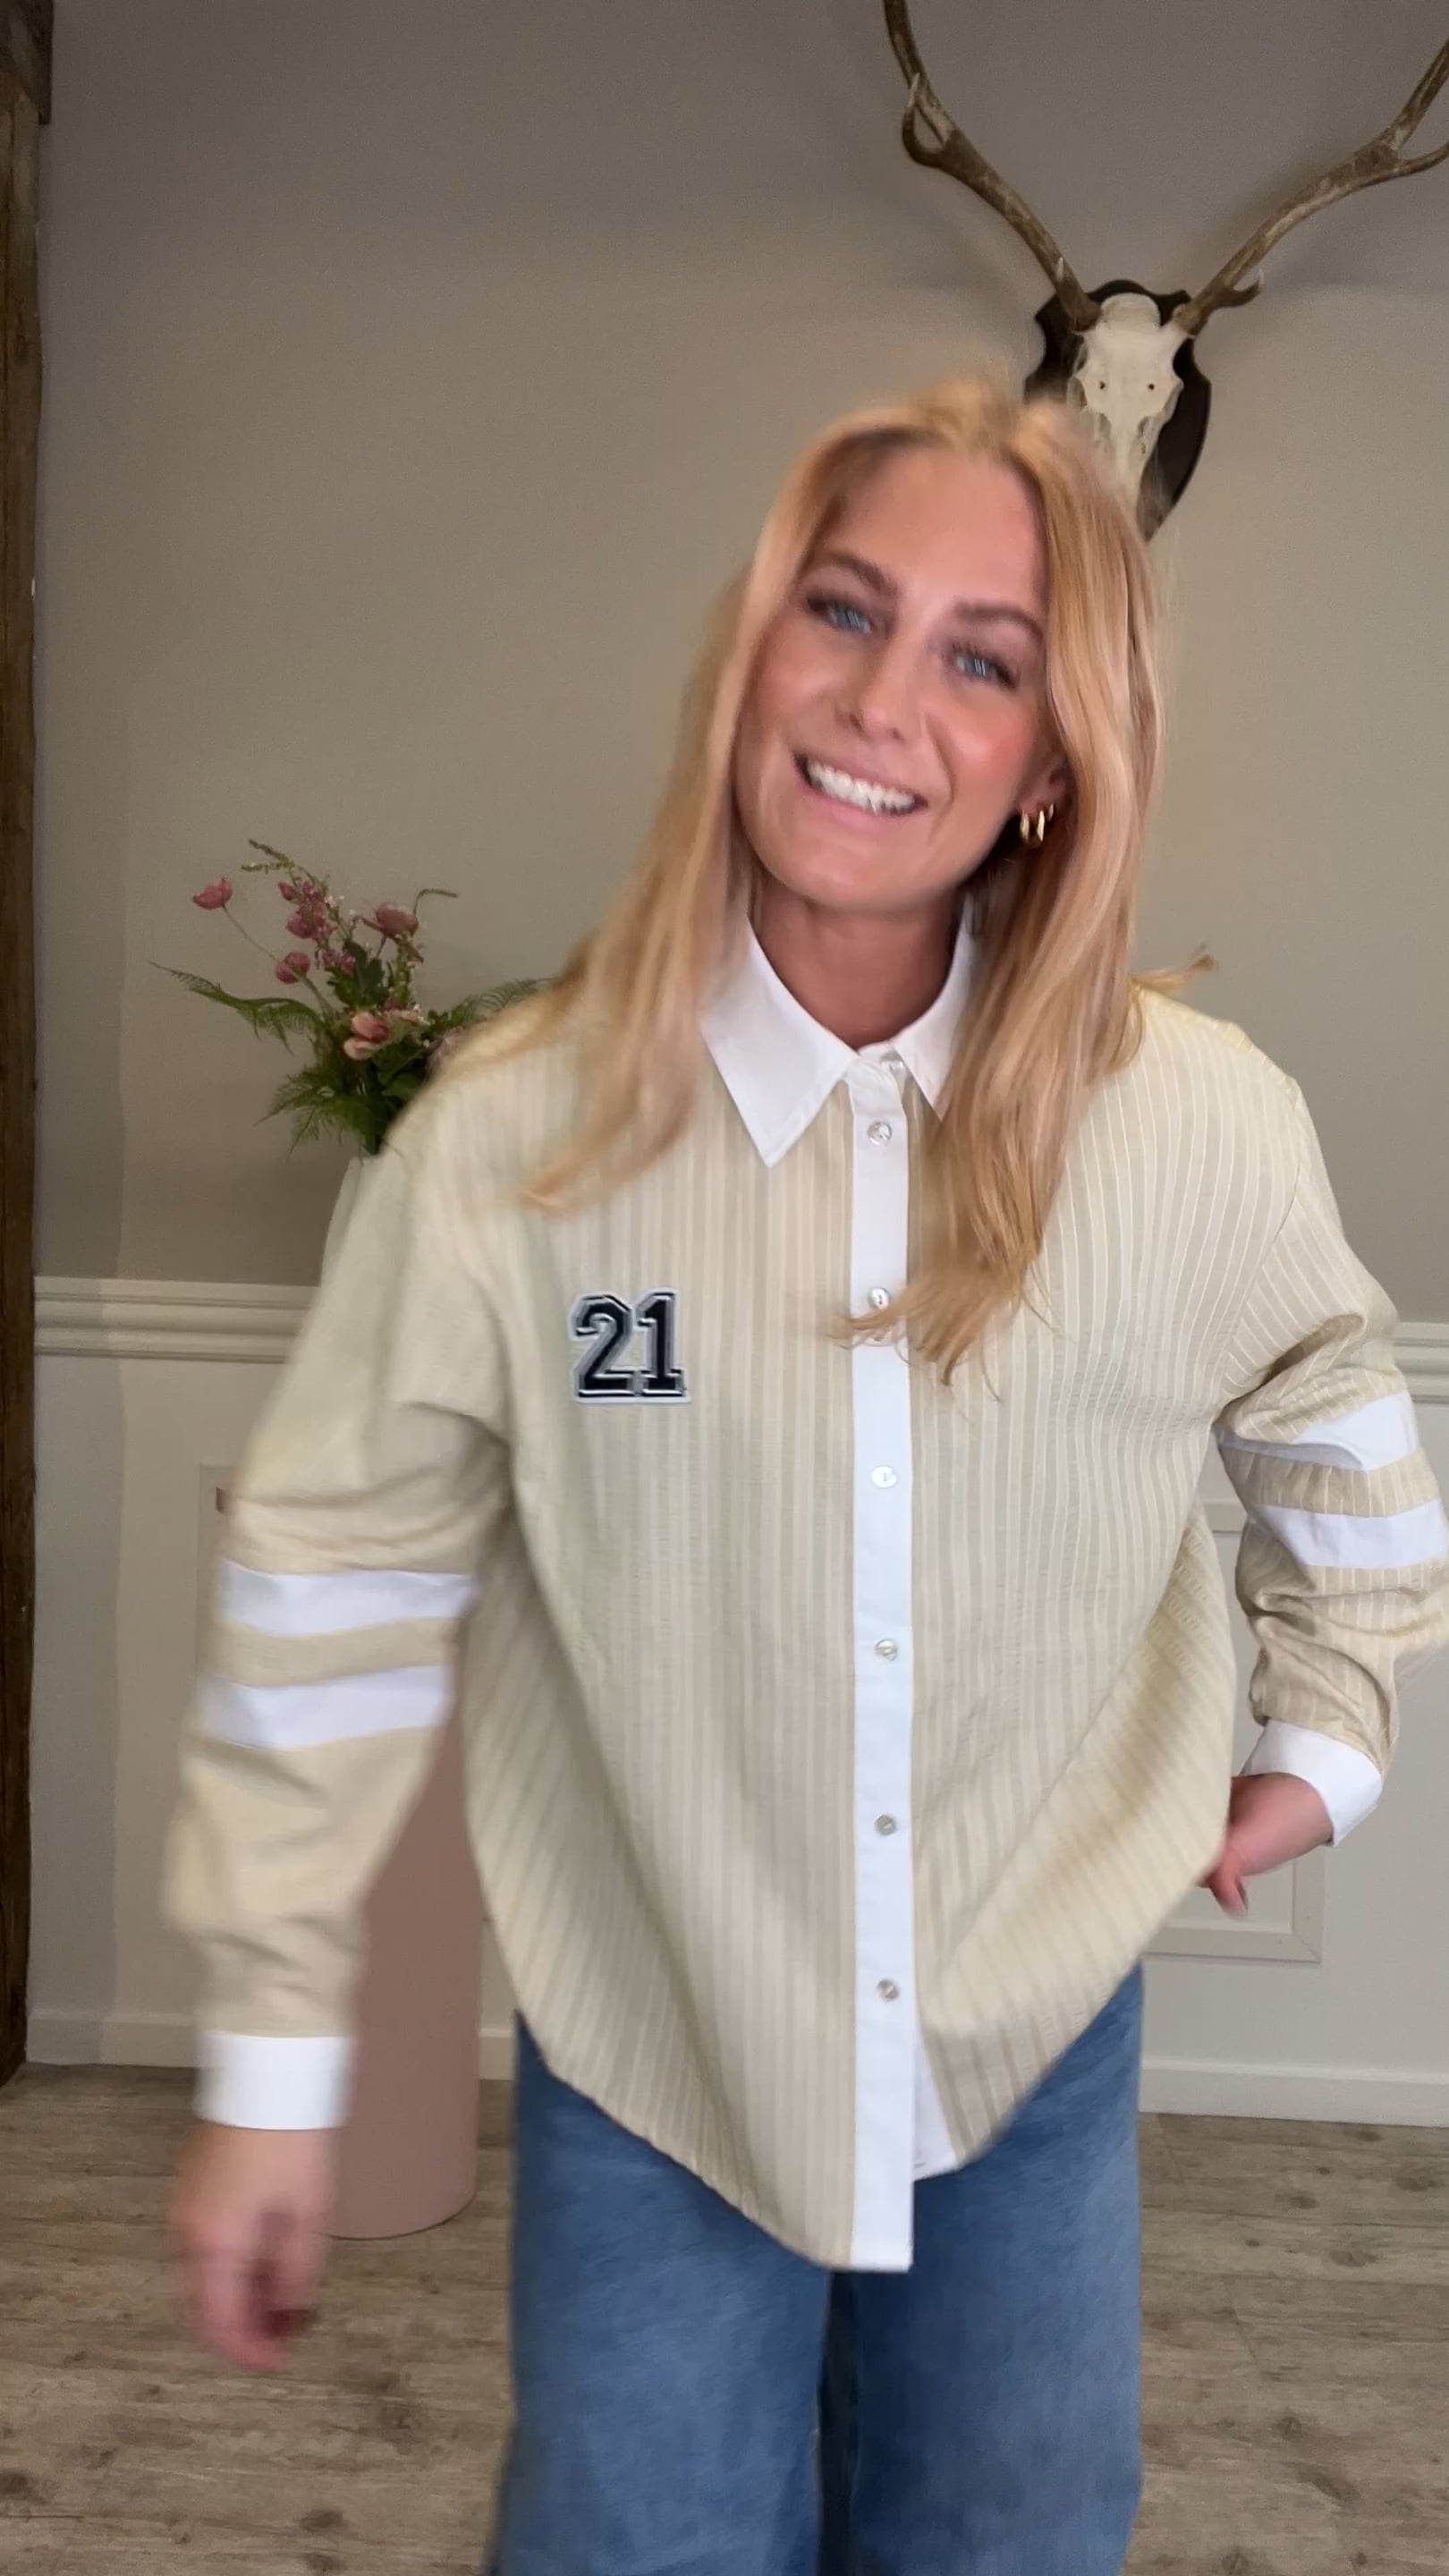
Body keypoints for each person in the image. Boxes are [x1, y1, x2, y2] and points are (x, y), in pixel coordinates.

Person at [168, 376, 1449, 2576]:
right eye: (841, 610)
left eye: (984, 656)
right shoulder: (514, 1138)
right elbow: (336, 1583)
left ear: (1055, 764)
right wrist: (275, 2060)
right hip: (655, 2051)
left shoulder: (1202, 1127)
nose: (881, 700)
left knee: (1010, 2543)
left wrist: (1323, 1739)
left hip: (1033, 2050)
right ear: (749, 651)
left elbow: (1338, 1404)